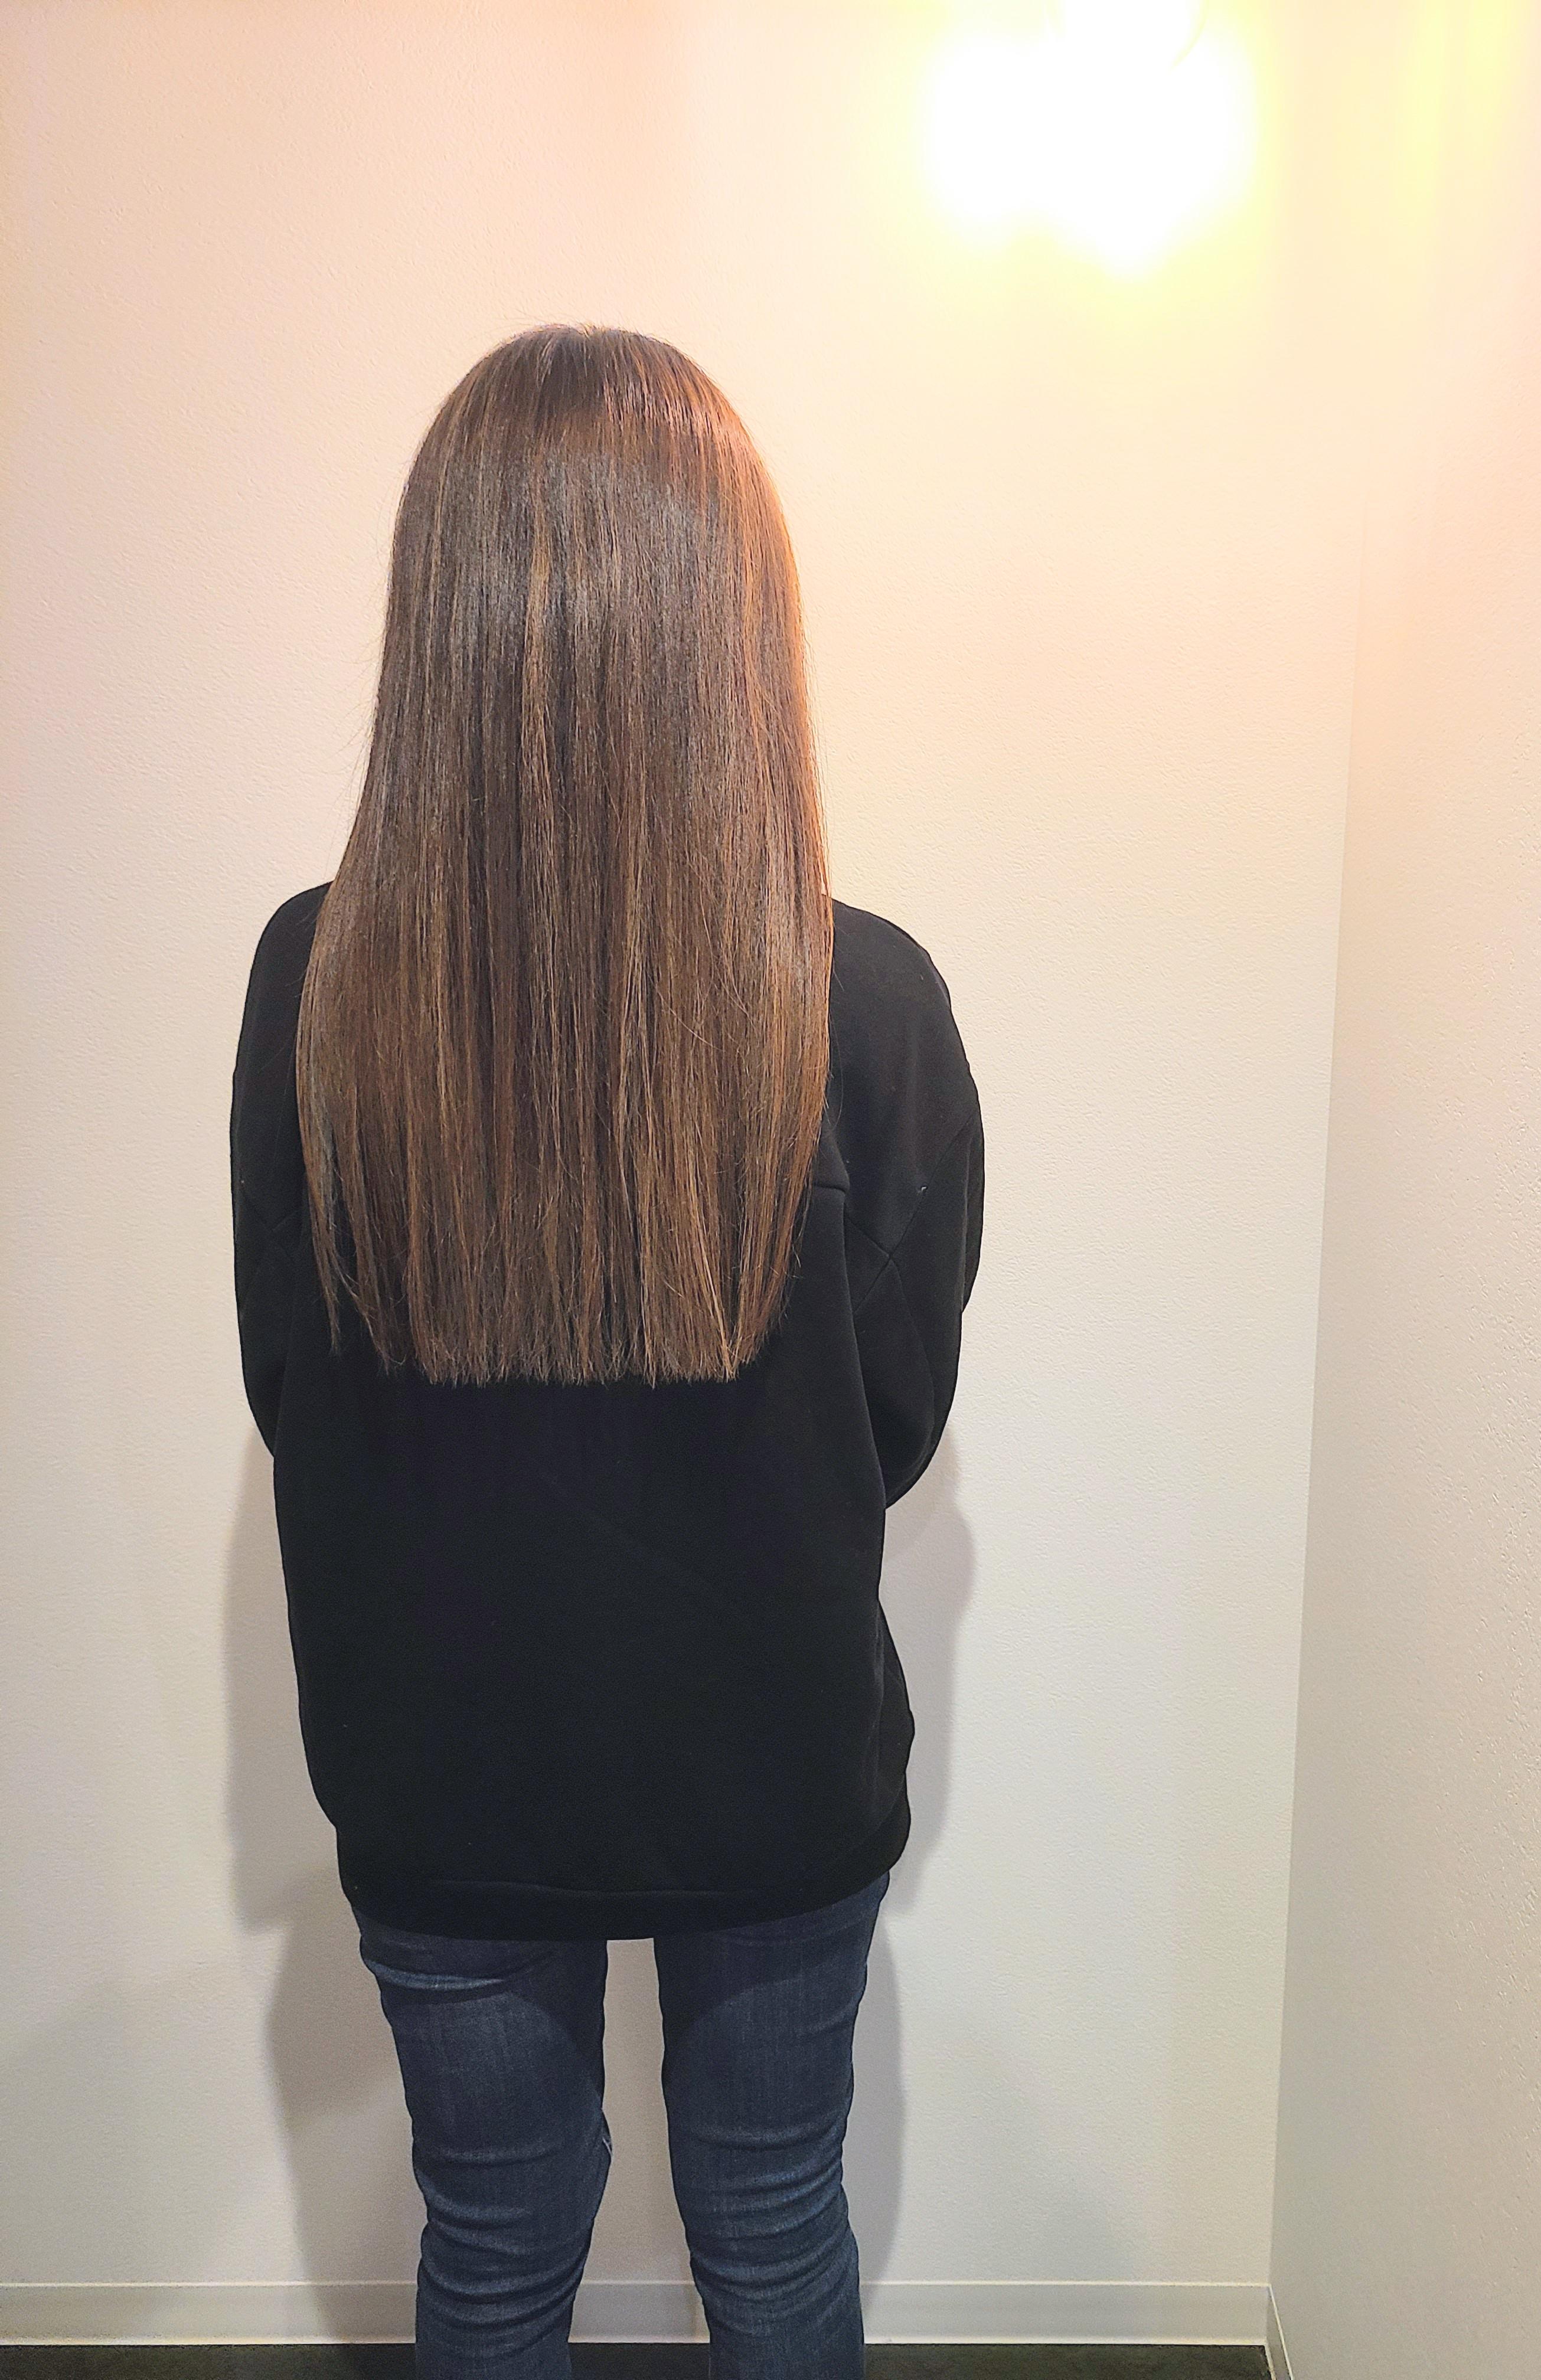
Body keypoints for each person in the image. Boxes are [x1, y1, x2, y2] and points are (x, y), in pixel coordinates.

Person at [228, 323, 984, 2380]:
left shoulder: (314, 983)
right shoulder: (868, 1004)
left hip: (446, 1758)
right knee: (773, 2213)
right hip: (770, 1749)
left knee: (493, 2235)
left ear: (446, 626)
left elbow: (290, 1383)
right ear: (735, 629)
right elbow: (892, 1417)